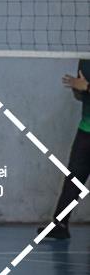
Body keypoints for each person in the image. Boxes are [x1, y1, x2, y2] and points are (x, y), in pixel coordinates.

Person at [41, 62, 90, 240]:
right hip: (85, 129)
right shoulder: (86, 61)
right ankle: (60, 225)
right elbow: (80, 96)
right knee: (73, 180)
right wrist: (78, 88)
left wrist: (87, 87)